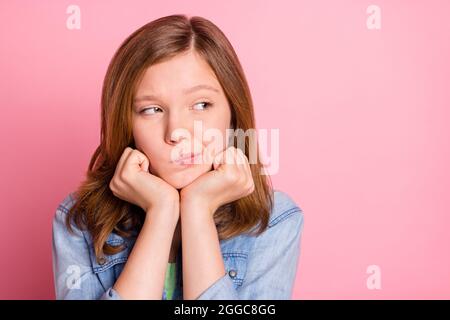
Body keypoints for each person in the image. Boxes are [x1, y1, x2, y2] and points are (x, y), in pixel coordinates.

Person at [52, 14, 304, 300]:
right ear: (127, 124)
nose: (177, 132)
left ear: (233, 113)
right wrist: (161, 211)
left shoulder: (274, 220)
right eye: (152, 110)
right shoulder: (79, 220)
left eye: (201, 104)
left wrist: (197, 208)